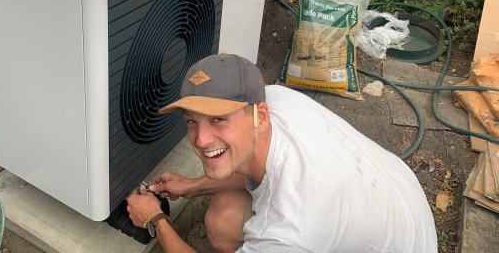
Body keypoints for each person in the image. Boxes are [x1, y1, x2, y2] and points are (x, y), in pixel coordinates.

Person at [126, 53, 438, 252]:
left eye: (219, 119)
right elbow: (262, 169)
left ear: (259, 115)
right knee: (224, 217)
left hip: (394, 237)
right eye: (192, 122)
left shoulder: (293, 227)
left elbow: (290, 209)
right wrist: (193, 186)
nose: (202, 138)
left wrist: (155, 218)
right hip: (397, 199)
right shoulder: (274, 98)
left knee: (228, 223)